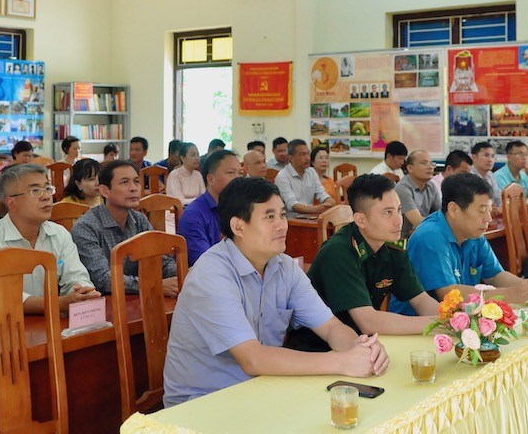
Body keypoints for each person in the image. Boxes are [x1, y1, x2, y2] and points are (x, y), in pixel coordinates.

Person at [162, 178, 389, 407]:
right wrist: (341, 362)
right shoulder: (211, 275)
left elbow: (330, 327)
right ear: (238, 226)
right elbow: (253, 359)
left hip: (262, 390)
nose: (282, 225)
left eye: (282, 214)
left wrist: (361, 349)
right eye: (269, 217)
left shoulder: (284, 267)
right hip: (203, 403)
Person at [288, 175, 438, 351]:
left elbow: (421, 301)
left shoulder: (392, 248)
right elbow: (368, 322)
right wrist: (436, 323)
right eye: (387, 212)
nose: (399, 220)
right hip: (317, 351)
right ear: (360, 220)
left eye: (398, 210)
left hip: (363, 345)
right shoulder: (339, 252)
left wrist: (455, 319)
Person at [390, 173, 528, 315]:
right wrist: (512, 294)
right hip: (420, 325)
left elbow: (495, 275)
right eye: (482, 211)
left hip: (459, 317)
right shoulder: (430, 236)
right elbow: (448, 294)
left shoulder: (474, 233)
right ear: (454, 210)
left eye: (489, 210)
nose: (488, 218)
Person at [0, 163, 99, 322]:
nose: (46, 196)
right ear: (11, 203)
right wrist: (59, 303)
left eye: (48, 188)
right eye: (35, 191)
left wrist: (82, 292)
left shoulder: (59, 234)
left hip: (44, 321)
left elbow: (76, 276)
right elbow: (7, 299)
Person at [72, 160, 178, 294]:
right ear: (105, 191)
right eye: (124, 182)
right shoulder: (86, 227)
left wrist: (180, 275)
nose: (133, 188)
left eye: (136, 182)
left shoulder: (139, 219)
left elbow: (161, 260)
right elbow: (102, 279)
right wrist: (153, 285)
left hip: (138, 298)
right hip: (104, 302)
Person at [178, 149, 242, 265]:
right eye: (231, 173)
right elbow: (205, 263)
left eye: (240, 173)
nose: (238, 178)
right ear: (210, 179)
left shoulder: (240, 209)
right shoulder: (194, 215)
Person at [274, 140, 333, 216]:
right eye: (303, 154)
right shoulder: (282, 176)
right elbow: (293, 205)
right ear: (290, 158)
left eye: (308, 153)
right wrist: (318, 209)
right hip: (291, 220)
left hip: (311, 217)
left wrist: (329, 202)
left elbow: (322, 194)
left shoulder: (311, 172)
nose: (308, 158)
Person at [394, 150, 440, 238]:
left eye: (431, 163)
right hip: (403, 241)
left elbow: (442, 215)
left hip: (423, 234)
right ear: (410, 168)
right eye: (424, 163)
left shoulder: (431, 186)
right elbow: (417, 221)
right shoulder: (402, 188)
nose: (430, 167)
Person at [469, 141, 500, 207]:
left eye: (492, 156)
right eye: (486, 155)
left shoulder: (490, 175)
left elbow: (498, 198)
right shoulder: (468, 176)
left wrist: (499, 208)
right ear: (474, 157)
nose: (490, 160)